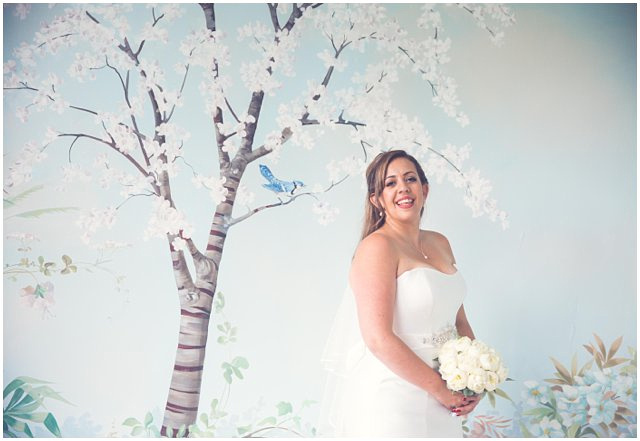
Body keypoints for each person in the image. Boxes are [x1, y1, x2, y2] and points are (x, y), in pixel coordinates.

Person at [319, 149, 483, 437]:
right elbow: (377, 338)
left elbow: (459, 322)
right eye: (390, 183)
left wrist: (474, 381)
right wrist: (439, 389)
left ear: (425, 189)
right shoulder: (376, 248)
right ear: (377, 199)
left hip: (447, 394)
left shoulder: (440, 242)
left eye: (410, 179)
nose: (403, 188)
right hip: (395, 396)